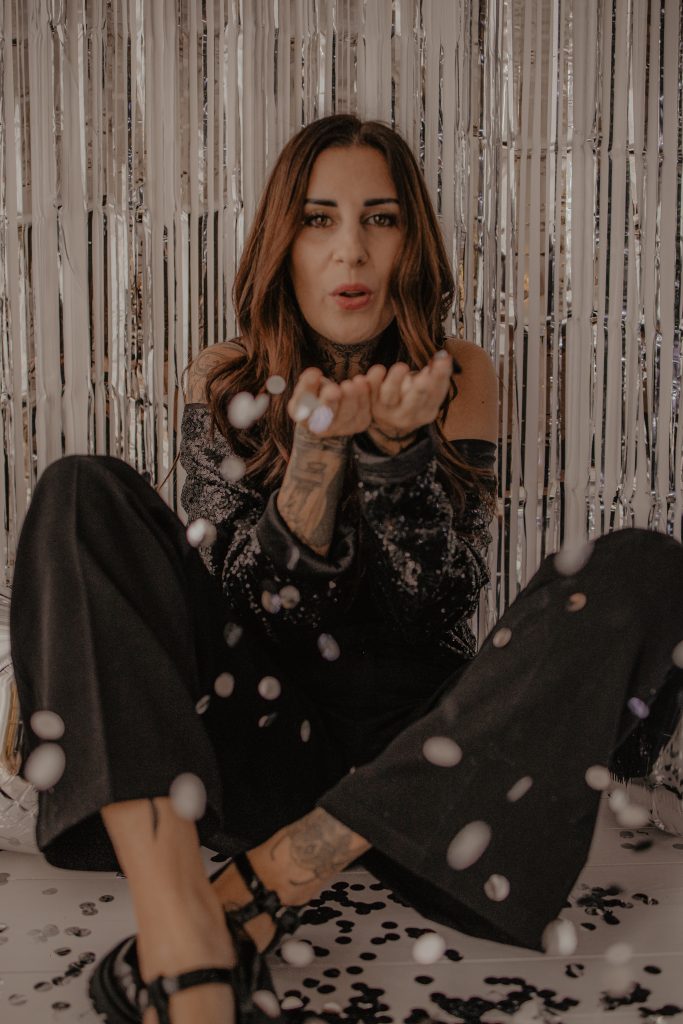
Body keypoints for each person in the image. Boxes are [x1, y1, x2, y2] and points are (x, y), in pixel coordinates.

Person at [9, 114, 683, 1024]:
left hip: (429, 778)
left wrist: (398, 457)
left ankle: (261, 886)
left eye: (382, 218)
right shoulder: (223, 377)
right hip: (255, 753)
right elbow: (247, 607)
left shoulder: (458, 372)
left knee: (644, 565)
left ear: (412, 243)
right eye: (319, 219)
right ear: (282, 244)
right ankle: (180, 929)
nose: (352, 250)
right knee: (81, 488)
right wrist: (318, 457)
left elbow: (435, 608)